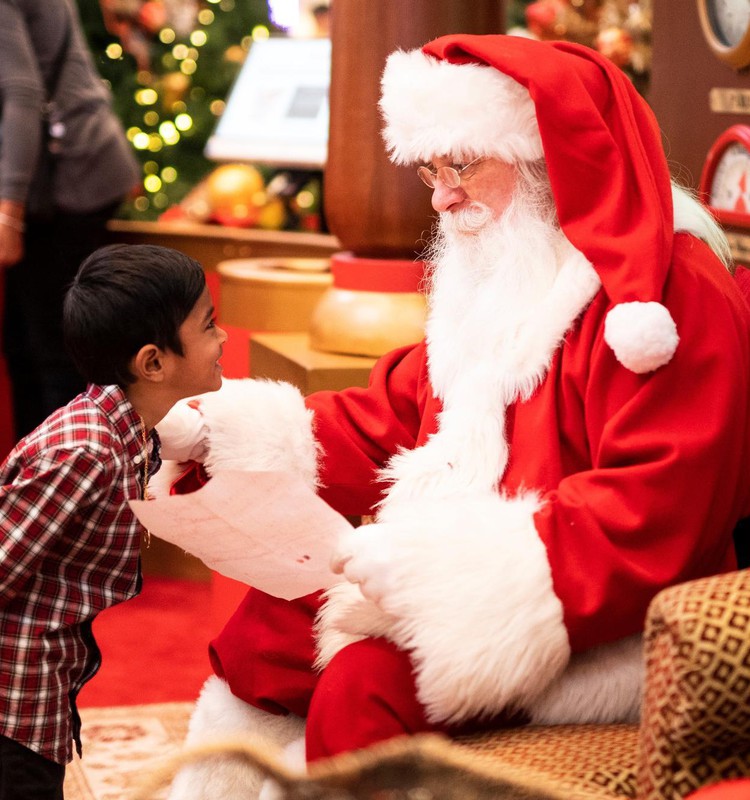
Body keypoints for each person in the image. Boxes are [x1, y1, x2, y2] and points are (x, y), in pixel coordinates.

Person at [160, 34, 750, 799]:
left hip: (601, 624)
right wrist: (224, 430)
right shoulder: (512, 265)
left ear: (549, 157)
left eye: (463, 165)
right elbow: (396, 413)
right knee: (263, 635)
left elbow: (652, 513)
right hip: (471, 569)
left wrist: (435, 579)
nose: (440, 198)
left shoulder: (664, 299)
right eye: (430, 170)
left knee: (363, 685)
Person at [0, 244, 226, 799]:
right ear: (153, 362)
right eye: (209, 326)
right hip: (12, 701)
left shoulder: (125, 428)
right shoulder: (86, 454)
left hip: (45, 685)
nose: (222, 340)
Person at [0, 0, 141, 440]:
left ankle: (64, 482)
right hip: (71, 173)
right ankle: (38, 481)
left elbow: (20, 94)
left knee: (52, 350)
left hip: (71, 181)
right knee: (27, 345)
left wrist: (8, 210)